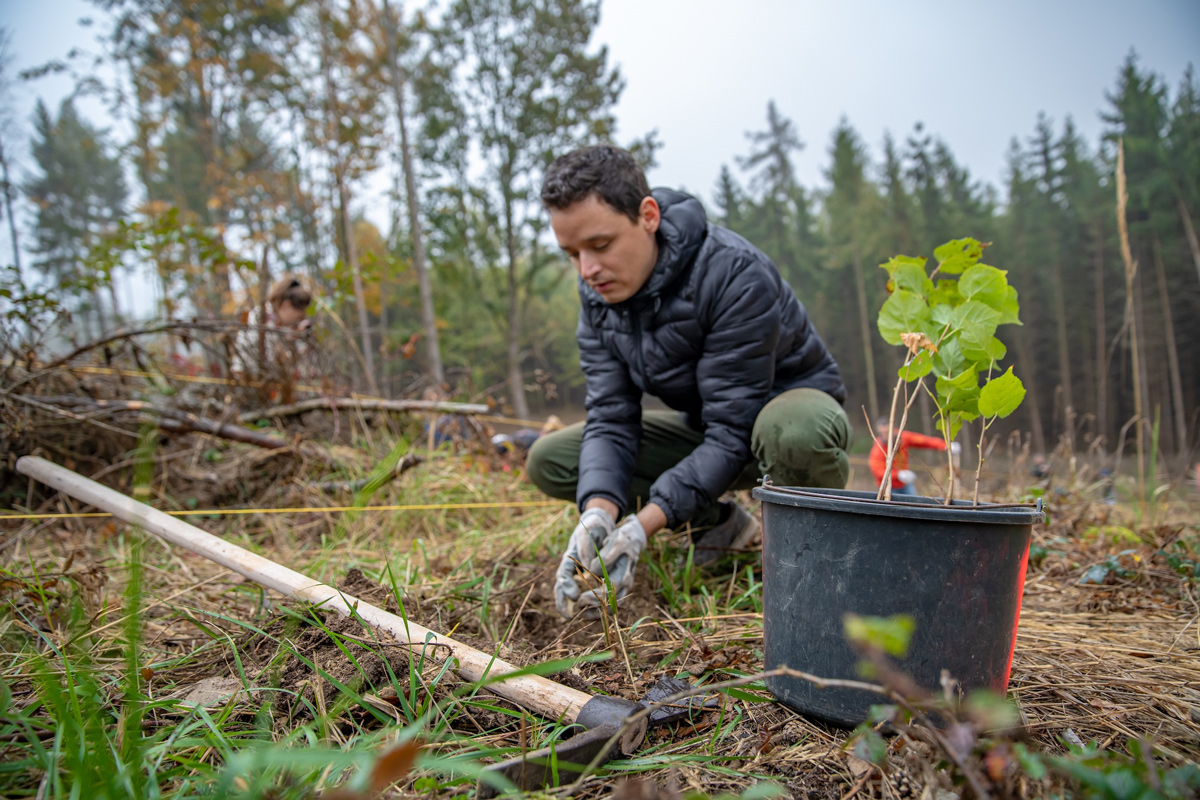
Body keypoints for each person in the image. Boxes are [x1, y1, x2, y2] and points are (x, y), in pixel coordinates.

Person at [525, 144, 850, 618]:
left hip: (785, 419)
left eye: (599, 245)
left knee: (793, 432)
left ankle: (816, 562)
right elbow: (612, 420)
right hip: (713, 429)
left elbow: (735, 430)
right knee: (551, 460)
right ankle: (721, 527)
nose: (586, 270)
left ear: (648, 216)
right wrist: (598, 516)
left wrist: (643, 527)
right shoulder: (597, 299)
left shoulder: (734, 274)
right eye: (571, 253)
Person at [868, 417, 958, 496]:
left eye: (888, 432)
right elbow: (877, 471)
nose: (886, 436)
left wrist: (945, 446)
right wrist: (897, 475)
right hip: (888, 487)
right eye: (882, 433)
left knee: (913, 505)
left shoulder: (903, 437)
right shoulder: (877, 450)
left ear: (894, 429)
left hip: (905, 484)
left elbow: (924, 441)